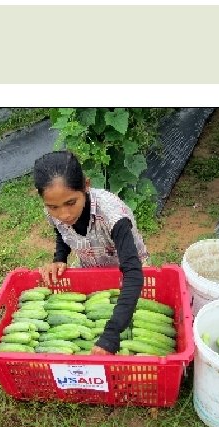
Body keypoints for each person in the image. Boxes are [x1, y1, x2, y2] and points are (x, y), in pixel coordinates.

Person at [32, 150, 149, 355]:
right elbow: (62, 231)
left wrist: (112, 334)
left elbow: (133, 273)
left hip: (128, 276)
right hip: (90, 270)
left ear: (86, 186)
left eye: (71, 203)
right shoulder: (53, 209)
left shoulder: (113, 216)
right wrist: (60, 258)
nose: (64, 214)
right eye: (53, 207)